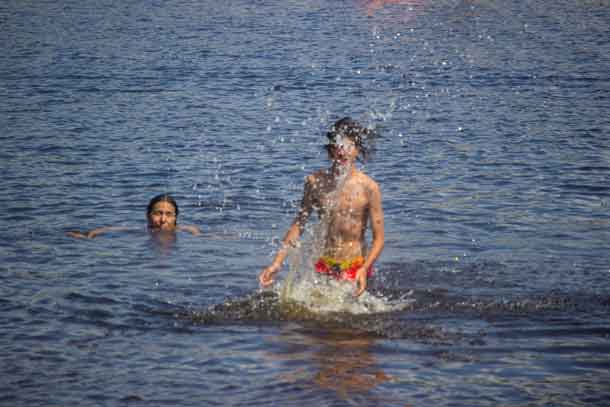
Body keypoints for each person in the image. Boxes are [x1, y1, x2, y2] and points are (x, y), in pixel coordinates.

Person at [259, 117, 384, 297]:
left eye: (348, 147)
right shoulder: (315, 182)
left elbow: (379, 239)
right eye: (338, 146)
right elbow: (298, 225)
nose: (342, 152)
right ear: (330, 151)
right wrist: (276, 263)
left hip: (355, 267)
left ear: (357, 150)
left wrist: (365, 268)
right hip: (324, 264)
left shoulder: (369, 187)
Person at [66, 194, 201, 238]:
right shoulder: (143, 232)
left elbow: (203, 237)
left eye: (169, 214)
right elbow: (111, 230)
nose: (163, 220)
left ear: (176, 217)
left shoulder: (188, 230)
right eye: (158, 213)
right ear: (148, 216)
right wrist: (88, 235)